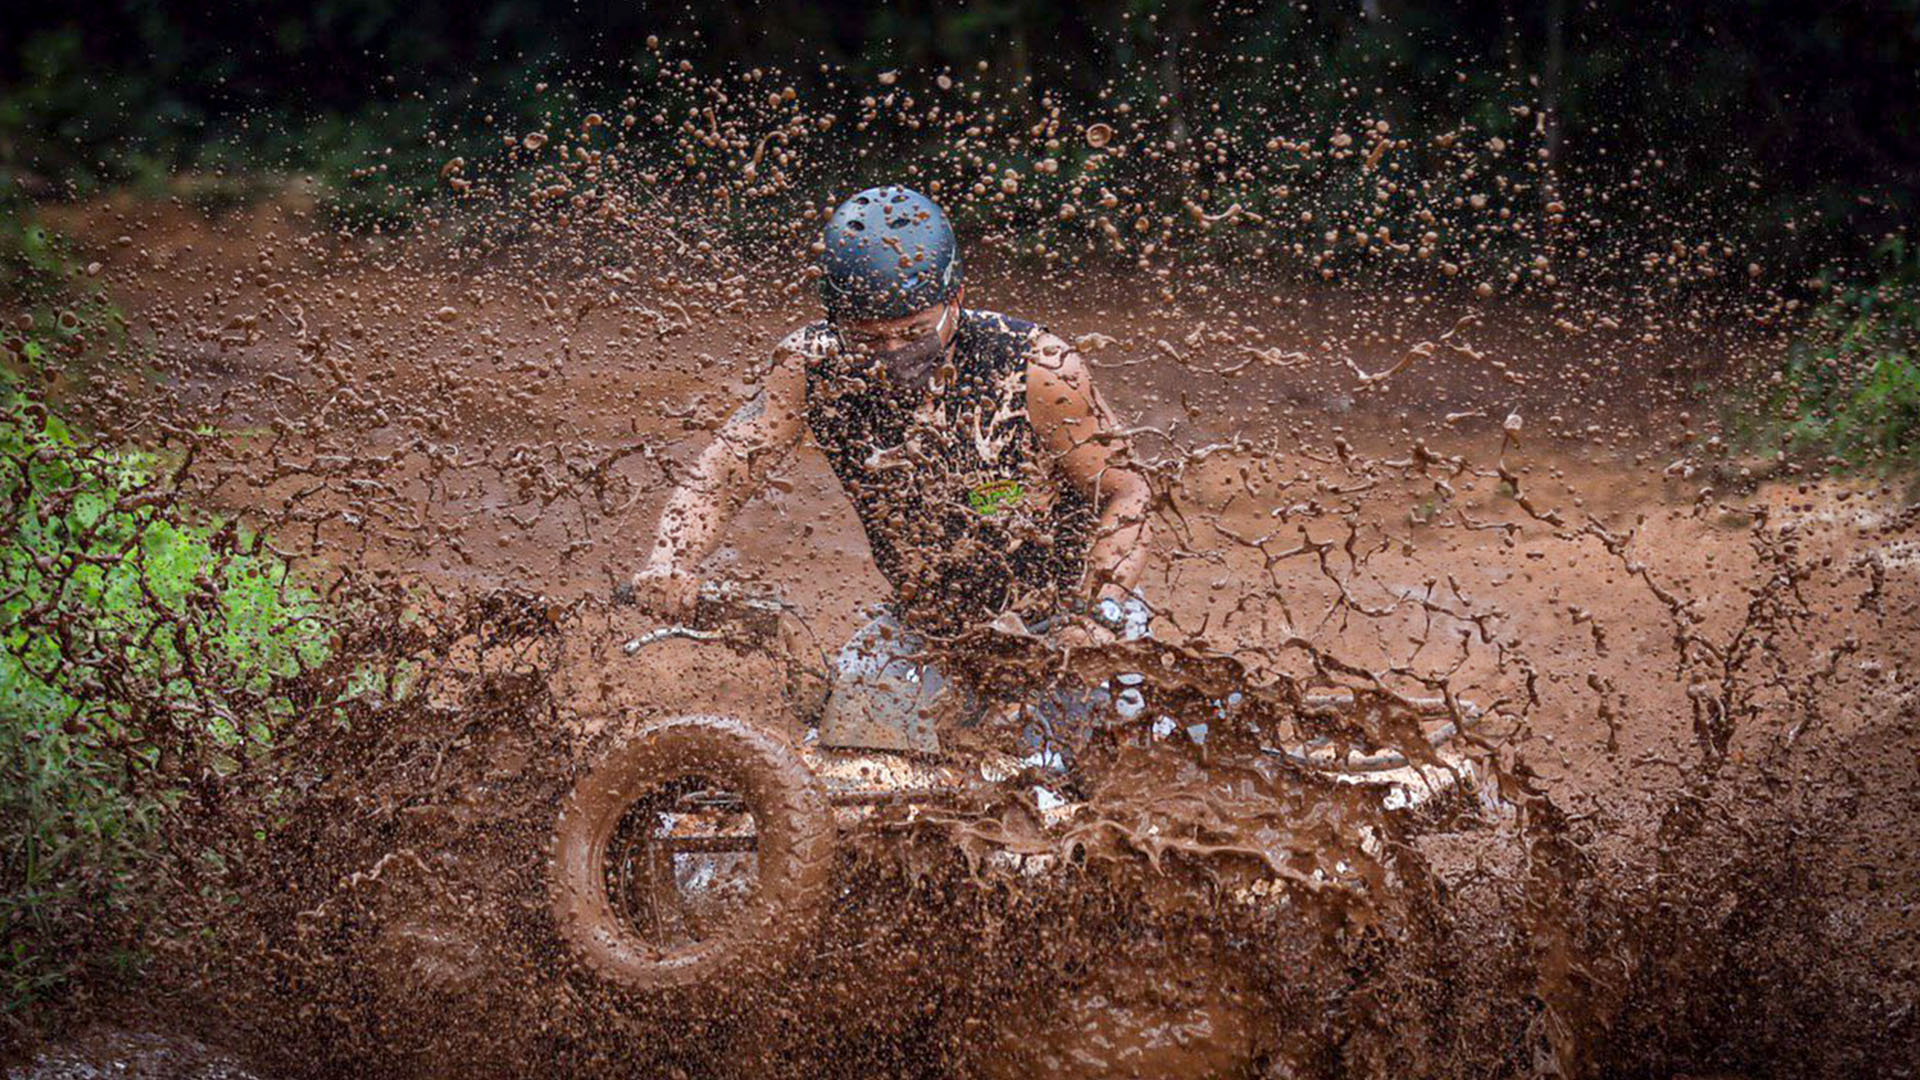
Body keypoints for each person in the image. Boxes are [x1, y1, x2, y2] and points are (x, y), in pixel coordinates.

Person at [630, 185, 1152, 755]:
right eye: (869, 339)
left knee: (1080, 785)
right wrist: (671, 560)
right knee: (849, 763)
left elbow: (1129, 490)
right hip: (926, 626)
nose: (894, 355)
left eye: (913, 333)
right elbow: (725, 469)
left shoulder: (1037, 367)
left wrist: (1094, 613)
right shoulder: (812, 366)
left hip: (1062, 621)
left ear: (956, 298)